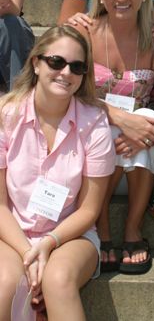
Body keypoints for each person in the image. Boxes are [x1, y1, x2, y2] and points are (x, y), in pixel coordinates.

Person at [75, 0, 154, 274]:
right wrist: (121, 118)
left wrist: (153, 129)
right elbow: (69, 95)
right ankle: (104, 226)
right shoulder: (84, 34)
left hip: (136, 153)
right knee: (109, 126)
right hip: (89, 140)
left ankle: (131, 227)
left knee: (152, 119)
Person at [0, 25, 115, 319]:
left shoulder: (94, 123)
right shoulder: (5, 116)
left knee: (58, 279)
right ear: (36, 63)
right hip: (12, 234)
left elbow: (89, 210)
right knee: (5, 285)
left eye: (77, 67)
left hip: (70, 236)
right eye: (56, 62)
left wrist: (49, 244)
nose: (66, 73)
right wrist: (29, 252)